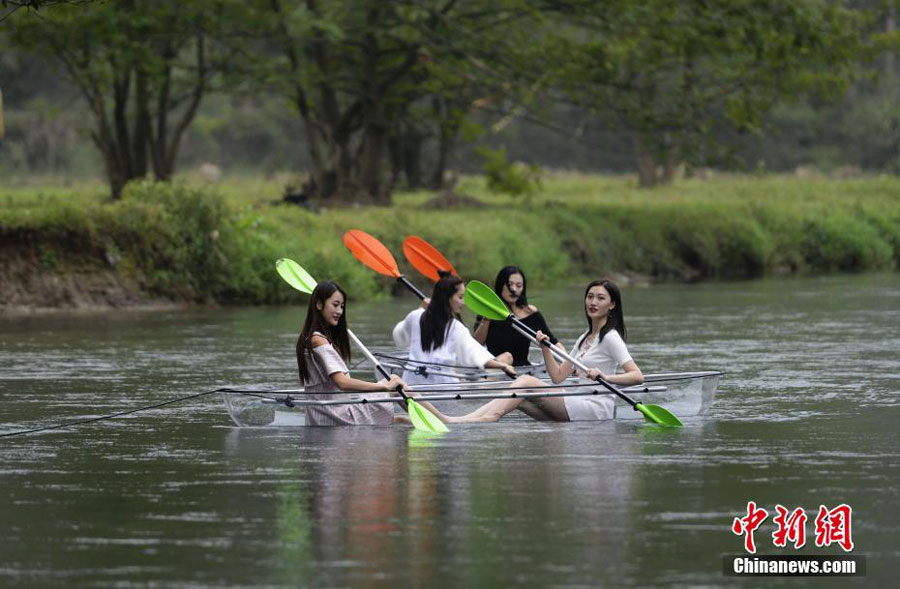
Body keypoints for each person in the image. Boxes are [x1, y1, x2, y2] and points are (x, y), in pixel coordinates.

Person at [448, 279, 643, 423]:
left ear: (612, 305)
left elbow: (637, 376)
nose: (593, 302)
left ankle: (486, 418)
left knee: (524, 381)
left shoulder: (610, 337)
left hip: (595, 409)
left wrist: (606, 377)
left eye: (600, 298)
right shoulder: (585, 337)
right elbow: (558, 377)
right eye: (590, 297)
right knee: (520, 399)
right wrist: (545, 348)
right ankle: (462, 419)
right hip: (577, 401)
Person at [297, 280, 409, 426]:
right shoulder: (318, 340)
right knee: (394, 382)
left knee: (401, 420)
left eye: (342, 306)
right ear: (319, 304)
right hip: (336, 416)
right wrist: (384, 387)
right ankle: (443, 420)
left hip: (323, 415)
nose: (339, 311)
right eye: (335, 305)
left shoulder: (309, 337)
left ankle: (436, 420)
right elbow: (342, 383)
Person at [393, 272, 517, 386]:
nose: (463, 303)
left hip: (412, 383)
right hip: (443, 386)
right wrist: (503, 366)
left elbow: (399, 335)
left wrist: (421, 308)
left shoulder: (415, 316)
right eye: (460, 297)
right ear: (447, 297)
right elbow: (477, 355)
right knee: (506, 358)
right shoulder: (455, 327)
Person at [473, 266, 559, 366]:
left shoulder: (530, 312)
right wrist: (486, 318)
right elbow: (475, 346)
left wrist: (569, 365)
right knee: (507, 356)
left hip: (523, 371)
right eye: (509, 285)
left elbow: (554, 343)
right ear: (501, 285)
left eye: (519, 286)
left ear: (523, 288)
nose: (514, 289)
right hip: (495, 371)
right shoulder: (487, 313)